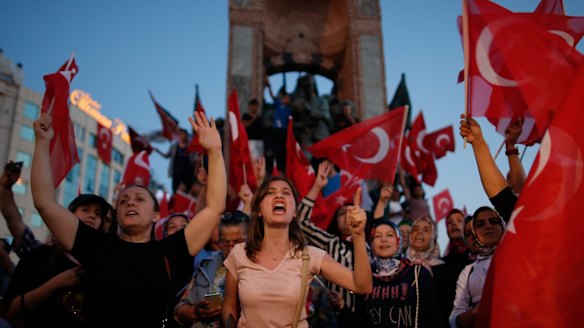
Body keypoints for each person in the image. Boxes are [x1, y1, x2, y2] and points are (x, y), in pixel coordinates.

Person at [30, 112, 226, 327]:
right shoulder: (96, 246)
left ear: (156, 216)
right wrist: (42, 143)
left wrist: (214, 152)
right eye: (123, 201)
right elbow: (45, 203)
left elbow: (215, 207)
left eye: (139, 199)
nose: (130, 203)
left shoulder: (172, 251)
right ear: (116, 215)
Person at [221, 175, 372, 328]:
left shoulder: (310, 256)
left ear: (294, 211)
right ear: (259, 210)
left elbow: (362, 286)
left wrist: (358, 235)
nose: (279, 195)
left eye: (286, 193)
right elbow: (229, 304)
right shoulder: (239, 253)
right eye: (271, 192)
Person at [2, 193, 109, 328]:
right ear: (69, 215)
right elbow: (11, 310)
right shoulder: (39, 256)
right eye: (86, 209)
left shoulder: (103, 265)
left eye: (98, 214)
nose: (93, 216)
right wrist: (56, 284)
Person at [297, 161, 360, 327]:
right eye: (341, 213)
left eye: (351, 211)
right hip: (332, 319)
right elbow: (300, 222)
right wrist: (317, 186)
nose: (347, 216)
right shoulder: (329, 241)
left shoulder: (373, 246)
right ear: (335, 223)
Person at [356, 219, 444, 328]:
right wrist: (342, 305)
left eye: (390, 235)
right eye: (378, 236)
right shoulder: (365, 277)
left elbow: (435, 318)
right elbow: (359, 320)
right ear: (372, 243)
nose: (383, 239)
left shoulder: (418, 273)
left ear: (399, 240)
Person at [174, 211, 249, 327]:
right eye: (225, 243)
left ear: (252, 240)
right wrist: (196, 312)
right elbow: (179, 310)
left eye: (238, 242)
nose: (231, 249)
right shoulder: (206, 265)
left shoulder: (262, 267)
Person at [449, 207, 505, 328]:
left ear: (503, 226)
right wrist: (479, 309)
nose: (488, 226)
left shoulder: (519, 256)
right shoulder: (468, 272)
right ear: (475, 233)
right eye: (480, 224)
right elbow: (455, 320)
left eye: (494, 222)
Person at [434, 209, 475, 326]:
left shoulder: (478, 259)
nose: (453, 224)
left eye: (459, 220)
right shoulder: (441, 264)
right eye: (449, 222)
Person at [156, 128, 198, 193]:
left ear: (186, 136)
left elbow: (194, 160)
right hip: (176, 173)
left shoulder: (190, 146)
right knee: (175, 191)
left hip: (186, 174)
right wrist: (157, 150)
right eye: (180, 135)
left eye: (183, 134)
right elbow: (166, 155)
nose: (181, 136)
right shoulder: (174, 146)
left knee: (185, 191)